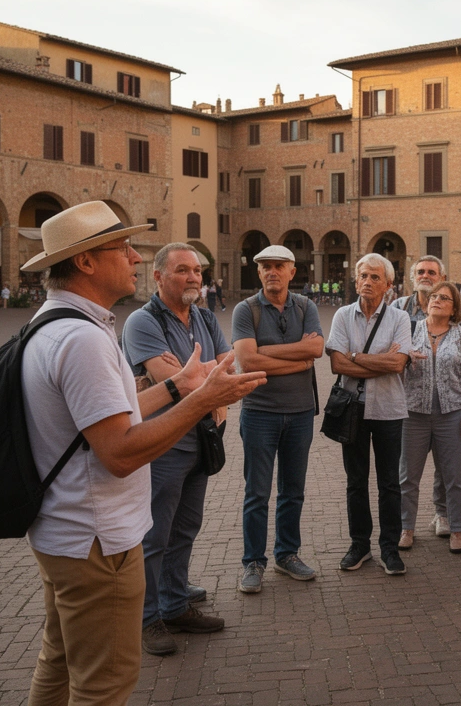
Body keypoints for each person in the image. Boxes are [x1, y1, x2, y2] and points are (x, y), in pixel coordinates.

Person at [17, 201, 264, 704]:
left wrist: (178, 386)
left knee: (60, 664)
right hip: (96, 540)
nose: (133, 256)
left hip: (66, 532)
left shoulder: (59, 322)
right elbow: (121, 452)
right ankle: (160, 612)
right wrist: (203, 399)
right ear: (85, 262)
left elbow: (111, 413)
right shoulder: (83, 338)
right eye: (122, 246)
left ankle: (173, 604)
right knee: (103, 684)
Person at [121, 242, 235, 657]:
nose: (193, 278)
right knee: (154, 533)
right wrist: (200, 378)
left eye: (198, 271)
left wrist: (194, 375)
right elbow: (181, 384)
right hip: (164, 442)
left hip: (202, 436)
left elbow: (228, 369)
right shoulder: (141, 322)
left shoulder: (204, 315)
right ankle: (147, 618)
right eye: (183, 270)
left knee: (185, 527)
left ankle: (173, 604)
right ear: (158, 276)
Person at [231, 245, 324, 594]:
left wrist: (266, 353)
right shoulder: (246, 309)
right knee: (256, 492)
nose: (272, 272)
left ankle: (287, 555)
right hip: (259, 413)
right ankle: (253, 562)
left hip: (300, 413)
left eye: (278, 266)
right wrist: (297, 362)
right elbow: (247, 361)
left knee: (292, 491)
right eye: (265, 266)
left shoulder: (306, 306)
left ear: (291, 272)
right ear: (258, 273)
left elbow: (315, 349)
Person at [325, 254, 413, 575]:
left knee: (390, 483)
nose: (367, 282)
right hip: (353, 409)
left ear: (389, 285)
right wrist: (378, 360)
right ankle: (359, 544)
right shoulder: (342, 316)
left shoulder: (400, 319)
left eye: (375, 277)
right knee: (355, 481)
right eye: (363, 275)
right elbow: (337, 364)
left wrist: (355, 356)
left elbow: (398, 364)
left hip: (388, 409)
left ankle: (390, 547)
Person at [391, 256, 461, 538]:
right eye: (420, 272)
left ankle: (452, 524)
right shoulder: (402, 318)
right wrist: (403, 357)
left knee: (453, 474)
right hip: (413, 411)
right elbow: (391, 361)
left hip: (450, 410)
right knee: (408, 475)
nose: (426, 276)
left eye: (432, 273)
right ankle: (406, 528)